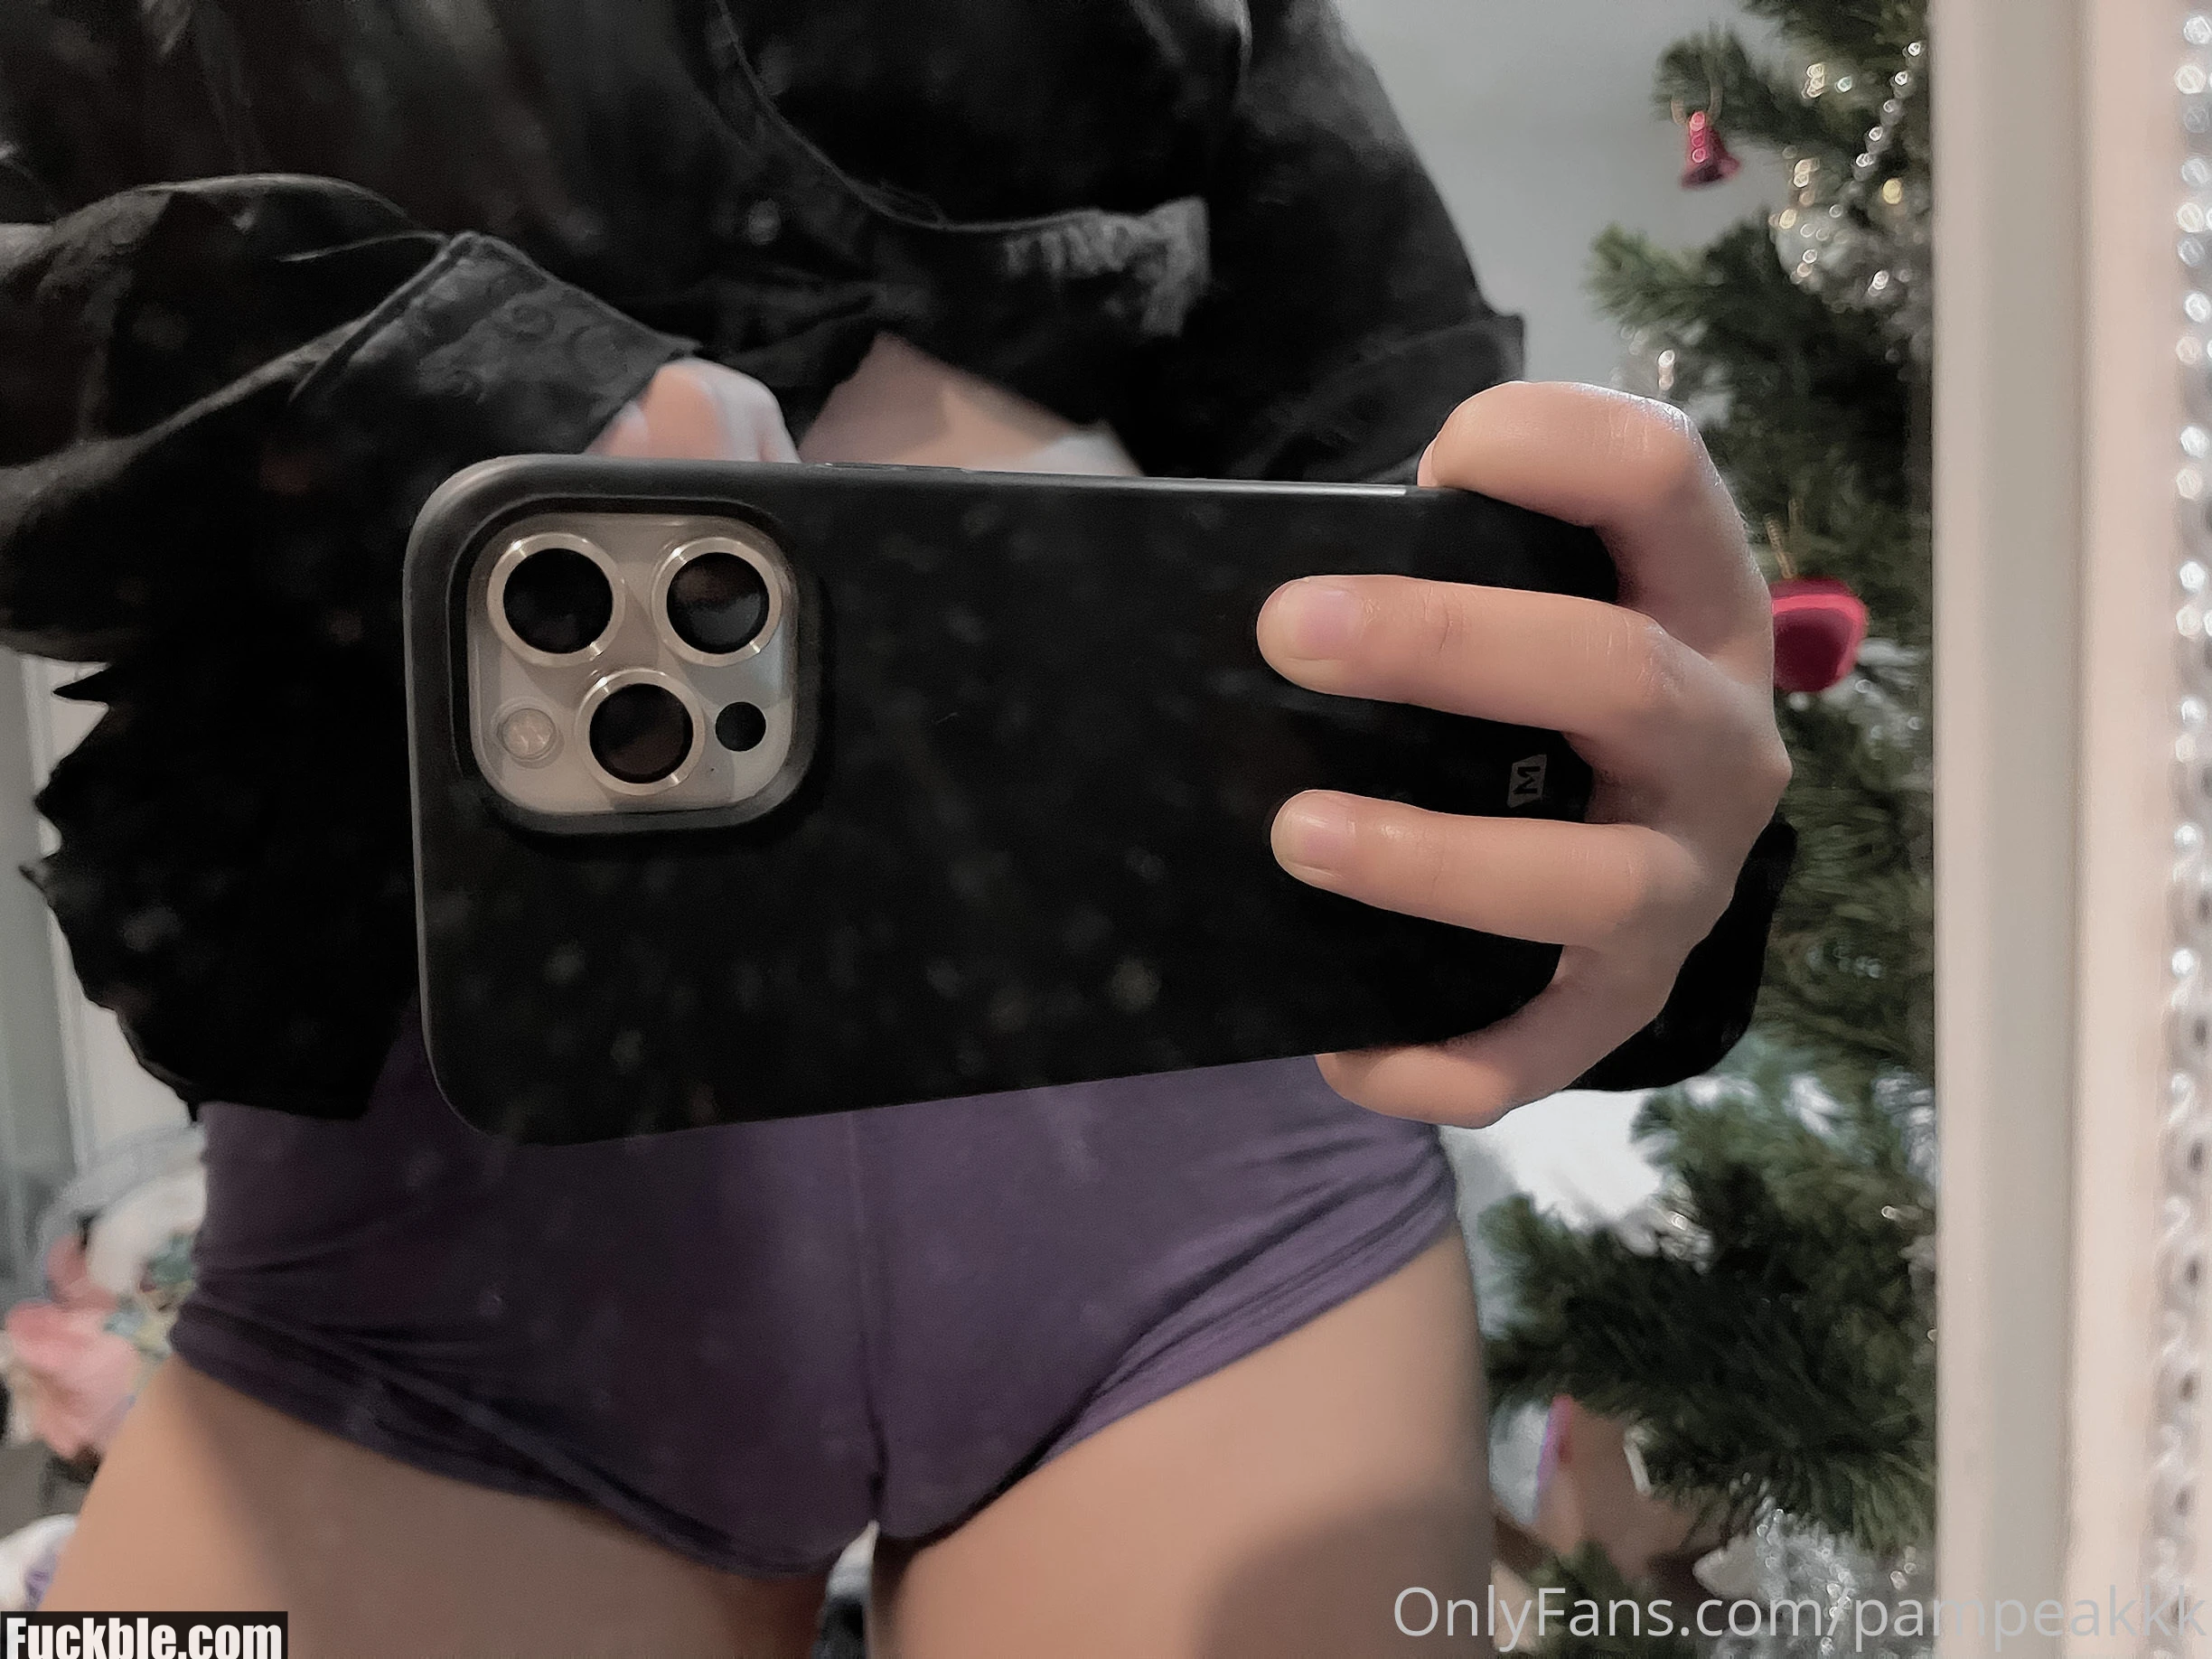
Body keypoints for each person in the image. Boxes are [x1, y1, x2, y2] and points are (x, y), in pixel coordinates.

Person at [0, 1, 1794, 1653]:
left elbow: (1428, 489)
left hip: (1207, 1155)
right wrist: (453, 377)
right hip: (437, 1218)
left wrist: (1626, 798)